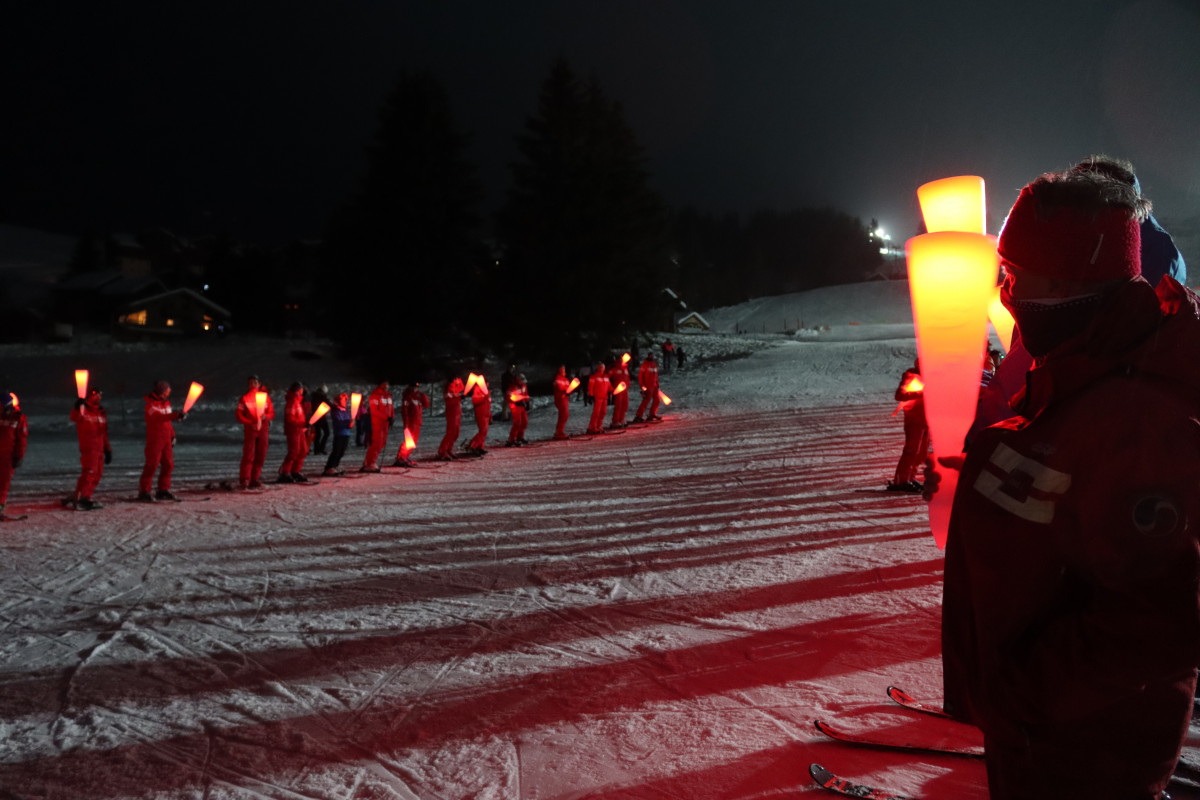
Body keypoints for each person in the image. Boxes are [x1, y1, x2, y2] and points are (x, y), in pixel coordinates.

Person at [933, 167, 1200, 800]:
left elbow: (1163, 618)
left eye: (1017, 278)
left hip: (1088, 756)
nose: (1006, 296)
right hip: (1037, 738)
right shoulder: (1073, 373)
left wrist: (1020, 696)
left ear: (1075, 284)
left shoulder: (1143, 417)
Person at [971, 155, 1187, 438]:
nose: (1008, 291)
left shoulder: (1130, 417)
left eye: (1014, 274)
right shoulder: (1063, 315)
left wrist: (997, 425)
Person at [139, 380, 187, 502]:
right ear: (162, 392)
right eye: (167, 390)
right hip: (155, 439)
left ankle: (163, 490)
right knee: (152, 465)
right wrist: (176, 415)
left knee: (168, 465)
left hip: (166, 439)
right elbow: (157, 418)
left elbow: (168, 422)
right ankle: (144, 491)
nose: (169, 391)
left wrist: (172, 435)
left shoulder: (166, 403)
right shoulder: (150, 404)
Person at [886, 360, 927, 493]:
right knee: (912, 451)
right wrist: (922, 393)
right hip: (915, 419)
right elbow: (900, 395)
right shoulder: (912, 377)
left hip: (926, 419)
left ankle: (910, 478)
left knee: (920, 452)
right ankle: (901, 481)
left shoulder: (930, 378)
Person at [69, 386, 110, 510]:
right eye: (95, 395)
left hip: (99, 448)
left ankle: (82, 496)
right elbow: (75, 417)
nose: (98, 397)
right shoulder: (84, 411)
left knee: (97, 474)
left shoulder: (101, 413)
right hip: (89, 448)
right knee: (89, 473)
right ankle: (82, 499)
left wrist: (107, 449)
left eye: (99, 395)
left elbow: (104, 433)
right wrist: (77, 407)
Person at [234, 375, 274, 490]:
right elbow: (239, 415)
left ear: (259, 383)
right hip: (251, 431)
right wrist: (249, 422)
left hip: (263, 431)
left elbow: (272, 413)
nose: (253, 384)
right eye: (251, 382)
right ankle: (245, 479)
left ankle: (254, 478)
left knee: (261, 455)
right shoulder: (244, 398)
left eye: (255, 382)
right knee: (249, 455)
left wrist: (265, 417)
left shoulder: (266, 398)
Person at [0, 391, 28, 519]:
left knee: (3, 482)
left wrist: (19, 456)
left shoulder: (18, 418)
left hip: (7, 456)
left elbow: (21, 439)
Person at [277, 382, 312, 482]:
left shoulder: (297, 402)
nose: (302, 391)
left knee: (303, 451)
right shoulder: (292, 402)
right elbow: (290, 419)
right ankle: (285, 473)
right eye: (300, 390)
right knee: (294, 452)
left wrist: (305, 425)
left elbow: (298, 417)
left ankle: (295, 471)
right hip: (293, 431)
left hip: (299, 430)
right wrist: (303, 424)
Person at [360, 380, 393, 472]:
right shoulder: (375, 396)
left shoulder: (388, 395)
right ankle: (370, 463)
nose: (386, 385)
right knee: (377, 443)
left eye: (387, 383)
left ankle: (369, 461)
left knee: (382, 443)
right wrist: (386, 417)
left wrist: (392, 417)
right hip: (378, 423)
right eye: (384, 383)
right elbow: (375, 411)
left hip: (385, 423)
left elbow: (391, 408)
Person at [396, 381, 430, 466]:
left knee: (413, 442)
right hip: (411, 422)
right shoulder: (408, 397)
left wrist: (423, 395)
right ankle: (401, 457)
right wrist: (406, 424)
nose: (416, 389)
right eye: (414, 387)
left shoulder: (418, 396)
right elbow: (404, 411)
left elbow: (426, 404)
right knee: (409, 441)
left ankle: (405, 456)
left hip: (417, 421)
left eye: (417, 387)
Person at [322, 392, 353, 476]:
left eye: (345, 401)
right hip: (339, 434)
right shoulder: (336, 411)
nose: (345, 402)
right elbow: (338, 422)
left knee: (342, 452)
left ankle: (335, 466)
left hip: (346, 433)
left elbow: (349, 422)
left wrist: (351, 423)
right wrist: (348, 423)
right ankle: (329, 467)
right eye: (343, 400)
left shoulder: (346, 411)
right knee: (336, 451)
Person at [437, 376, 464, 460]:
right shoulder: (448, 389)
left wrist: (458, 381)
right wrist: (460, 397)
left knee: (456, 433)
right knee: (450, 433)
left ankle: (449, 449)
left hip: (457, 413)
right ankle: (442, 451)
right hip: (451, 413)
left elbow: (462, 387)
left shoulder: (454, 387)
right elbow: (450, 401)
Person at [465, 375, 491, 456]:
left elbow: (488, 405)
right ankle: (473, 445)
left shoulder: (487, 392)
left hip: (486, 414)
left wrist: (490, 416)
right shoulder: (478, 390)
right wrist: (485, 398)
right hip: (481, 414)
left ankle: (480, 447)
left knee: (484, 432)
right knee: (482, 431)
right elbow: (475, 401)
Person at [633, 352, 660, 423]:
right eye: (650, 355)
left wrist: (657, 384)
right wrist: (642, 386)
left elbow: (656, 376)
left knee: (657, 400)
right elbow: (640, 376)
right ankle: (639, 415)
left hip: (654, 386)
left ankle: (652, 414)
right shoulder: (645, 365)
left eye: (652, 355)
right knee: (646, 400)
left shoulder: (654, 365)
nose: (651, 356)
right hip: (648, 386)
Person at [506, 373, 530, 446]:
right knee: (517, 423)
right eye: (522, 380)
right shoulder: (512, 387)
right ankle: (512, 439)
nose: (523, 382)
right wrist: (516, 401)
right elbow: (508, 398)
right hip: (516, 407)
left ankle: (520, 437)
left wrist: (527, 402)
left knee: (524, 422)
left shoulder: (524, 385)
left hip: (522, 406)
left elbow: (525, 394)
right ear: (517, 380)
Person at [586, 362, 610, 434]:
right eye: (601, 367)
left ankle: (598, 426)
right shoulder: (594, 376)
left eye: (603, 367)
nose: (602, 369)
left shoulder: (606, 377)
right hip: (598, 397)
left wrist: (614, 390)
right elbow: (590, 386)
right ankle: (592, 427)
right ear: (598, 368)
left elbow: (609, 386)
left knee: (603, 412)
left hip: (604, 397)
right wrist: (591, 395)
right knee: (596, 412)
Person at [608, 356, 630, 429]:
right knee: (618, 405)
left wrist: (628, 384)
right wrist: (611, 388)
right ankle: (615, 421)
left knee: (625, 404)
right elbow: (607, 377)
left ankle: (621, 419)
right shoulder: (614, 369)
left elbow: (628, 378)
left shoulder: (625, 369)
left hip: (625, 389)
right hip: (618, 389)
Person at [309, 383, 331, 454]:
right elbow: (328, 403)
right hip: (321, 417)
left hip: (315, 417)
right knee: (326, 433)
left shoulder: (314, 396)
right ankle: (321, 448)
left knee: (318, 434)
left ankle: (317, 449)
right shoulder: (322, 396)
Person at [552, 366, 572, 440]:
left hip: (565, 399)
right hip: (560, 399)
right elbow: (560, 388)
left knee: (564, 415)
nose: (564, 372)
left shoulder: (565, 379)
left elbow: (569, 387)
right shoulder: (557, 379)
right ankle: (559, 432)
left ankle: (560, 431)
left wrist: (569, 391)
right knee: (564, 415)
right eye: (562, 370)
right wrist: (566, 391)